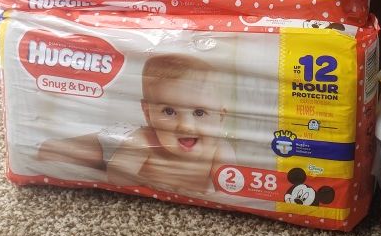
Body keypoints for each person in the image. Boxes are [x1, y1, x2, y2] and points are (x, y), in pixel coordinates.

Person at [38, 53, 235, 197]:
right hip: (115, 143)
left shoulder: (220, 150)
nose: (185, 126)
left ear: (221, 117)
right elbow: (116, 176)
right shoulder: (142, 141)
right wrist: (149, 186)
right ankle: (46, 144)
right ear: (148, 113)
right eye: (169, 111)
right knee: (53, 151)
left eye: (199, 113)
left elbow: (229, 190)